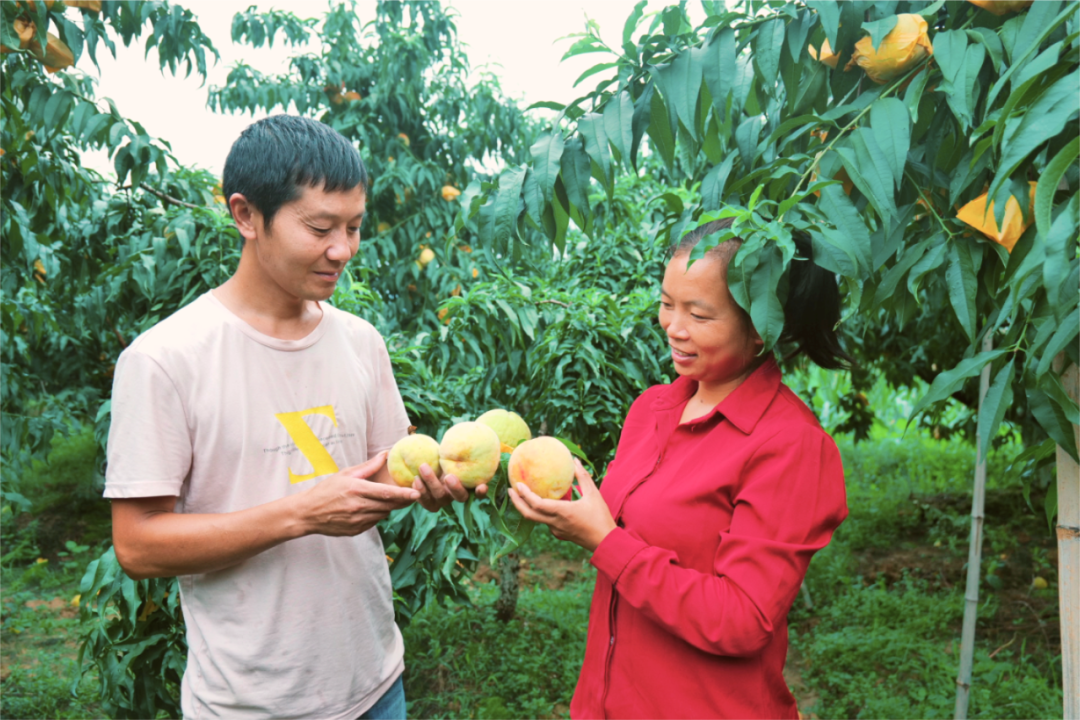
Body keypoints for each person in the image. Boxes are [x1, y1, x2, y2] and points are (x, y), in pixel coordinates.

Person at [105, 115, 481, 720]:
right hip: (251, 703)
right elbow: (138, 544)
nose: (343, 250)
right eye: (320, 227)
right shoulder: (165, 360)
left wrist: (430, 484)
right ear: (246, 216)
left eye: (355, 227)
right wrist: (300, 513)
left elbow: (382, 473)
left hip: (376, 683)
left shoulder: (361, 342)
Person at [510, 218, 850, 719]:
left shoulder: (791, 446)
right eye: (667, 303)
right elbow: (627, 524)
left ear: (760, 329)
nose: (674, 326)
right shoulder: (652, 409)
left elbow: (744, 619)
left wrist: (606, 543)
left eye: (699, 314)